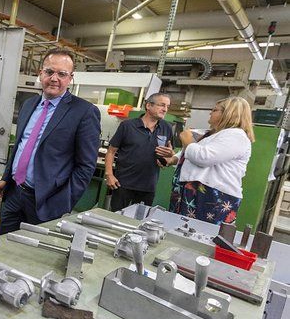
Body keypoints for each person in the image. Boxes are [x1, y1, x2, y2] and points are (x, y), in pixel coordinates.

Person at [0, 48, 101, 235]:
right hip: (14, 194)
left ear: (70, 78)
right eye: (49, 72)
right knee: (2, 246)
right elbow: (21, 146)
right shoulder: (28, 104)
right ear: (40, 73)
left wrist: (62, 204)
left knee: (36, 255)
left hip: (46, 203)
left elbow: (85, 167)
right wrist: (6, 178)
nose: (54, 78)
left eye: (62, 74)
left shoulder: (84, 112)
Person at [161, 96, 254, 224]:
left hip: (211, 196)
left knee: (199, 235)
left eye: (215, 110)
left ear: (228, 114)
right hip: (192, 192)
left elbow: (203, 157)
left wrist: (187, 140)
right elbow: (192, 151)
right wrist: (173, 159)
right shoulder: (212, 134)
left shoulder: (236, 136)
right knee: (180, 229)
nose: (210, 112)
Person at [105, 93, 174, 212]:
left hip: (148, 187)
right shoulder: (127, 126)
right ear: (148, 105)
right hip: (123, 184)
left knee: (139, 222)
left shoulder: (166, 127)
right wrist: (109, 175)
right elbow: (111, 151)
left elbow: (169, 157)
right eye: (162, 105)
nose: (165, 109)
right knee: (116, 217)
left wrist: (168, 158)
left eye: (167, 106)